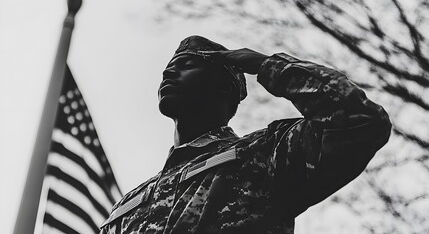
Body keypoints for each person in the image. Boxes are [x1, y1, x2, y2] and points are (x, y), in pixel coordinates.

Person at [99, 35, 391, 234]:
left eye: (186, 66)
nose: (168, 75)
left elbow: (361, 120)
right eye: (166, 71)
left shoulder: (263, 154)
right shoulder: (128, 205)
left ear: (225, 88)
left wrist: (267, 65)